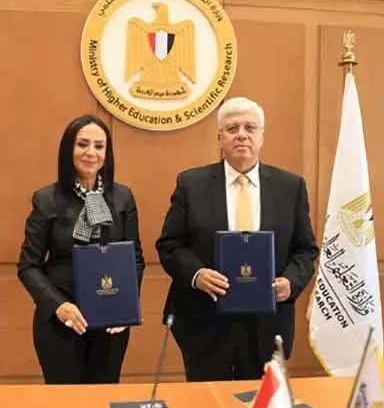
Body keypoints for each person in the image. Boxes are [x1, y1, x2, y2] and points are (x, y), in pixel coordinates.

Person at [156, 97, 319, 381]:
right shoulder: (191, 184)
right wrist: (197, 274)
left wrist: (290, 283)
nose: (241, 135)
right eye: (232, 129)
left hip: (266, 324)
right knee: (206, 402)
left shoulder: (290, 186)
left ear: (261, 137)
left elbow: (305, 250)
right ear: (220, 138)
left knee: (259, 403)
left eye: (250, 128)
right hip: (204, 320)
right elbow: (169, 245)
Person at [18, 114, 145, 384]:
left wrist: (125, 306)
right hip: (62, 322)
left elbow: (135, 259)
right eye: (82, 144)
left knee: (103, 399)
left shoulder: (123, 197)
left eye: (99, 146)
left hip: (110, 322)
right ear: (68, 150)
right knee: (65, 404)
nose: (91, 153)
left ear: (107, 154)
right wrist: (58, 305)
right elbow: (28, 266)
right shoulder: (47, 199)